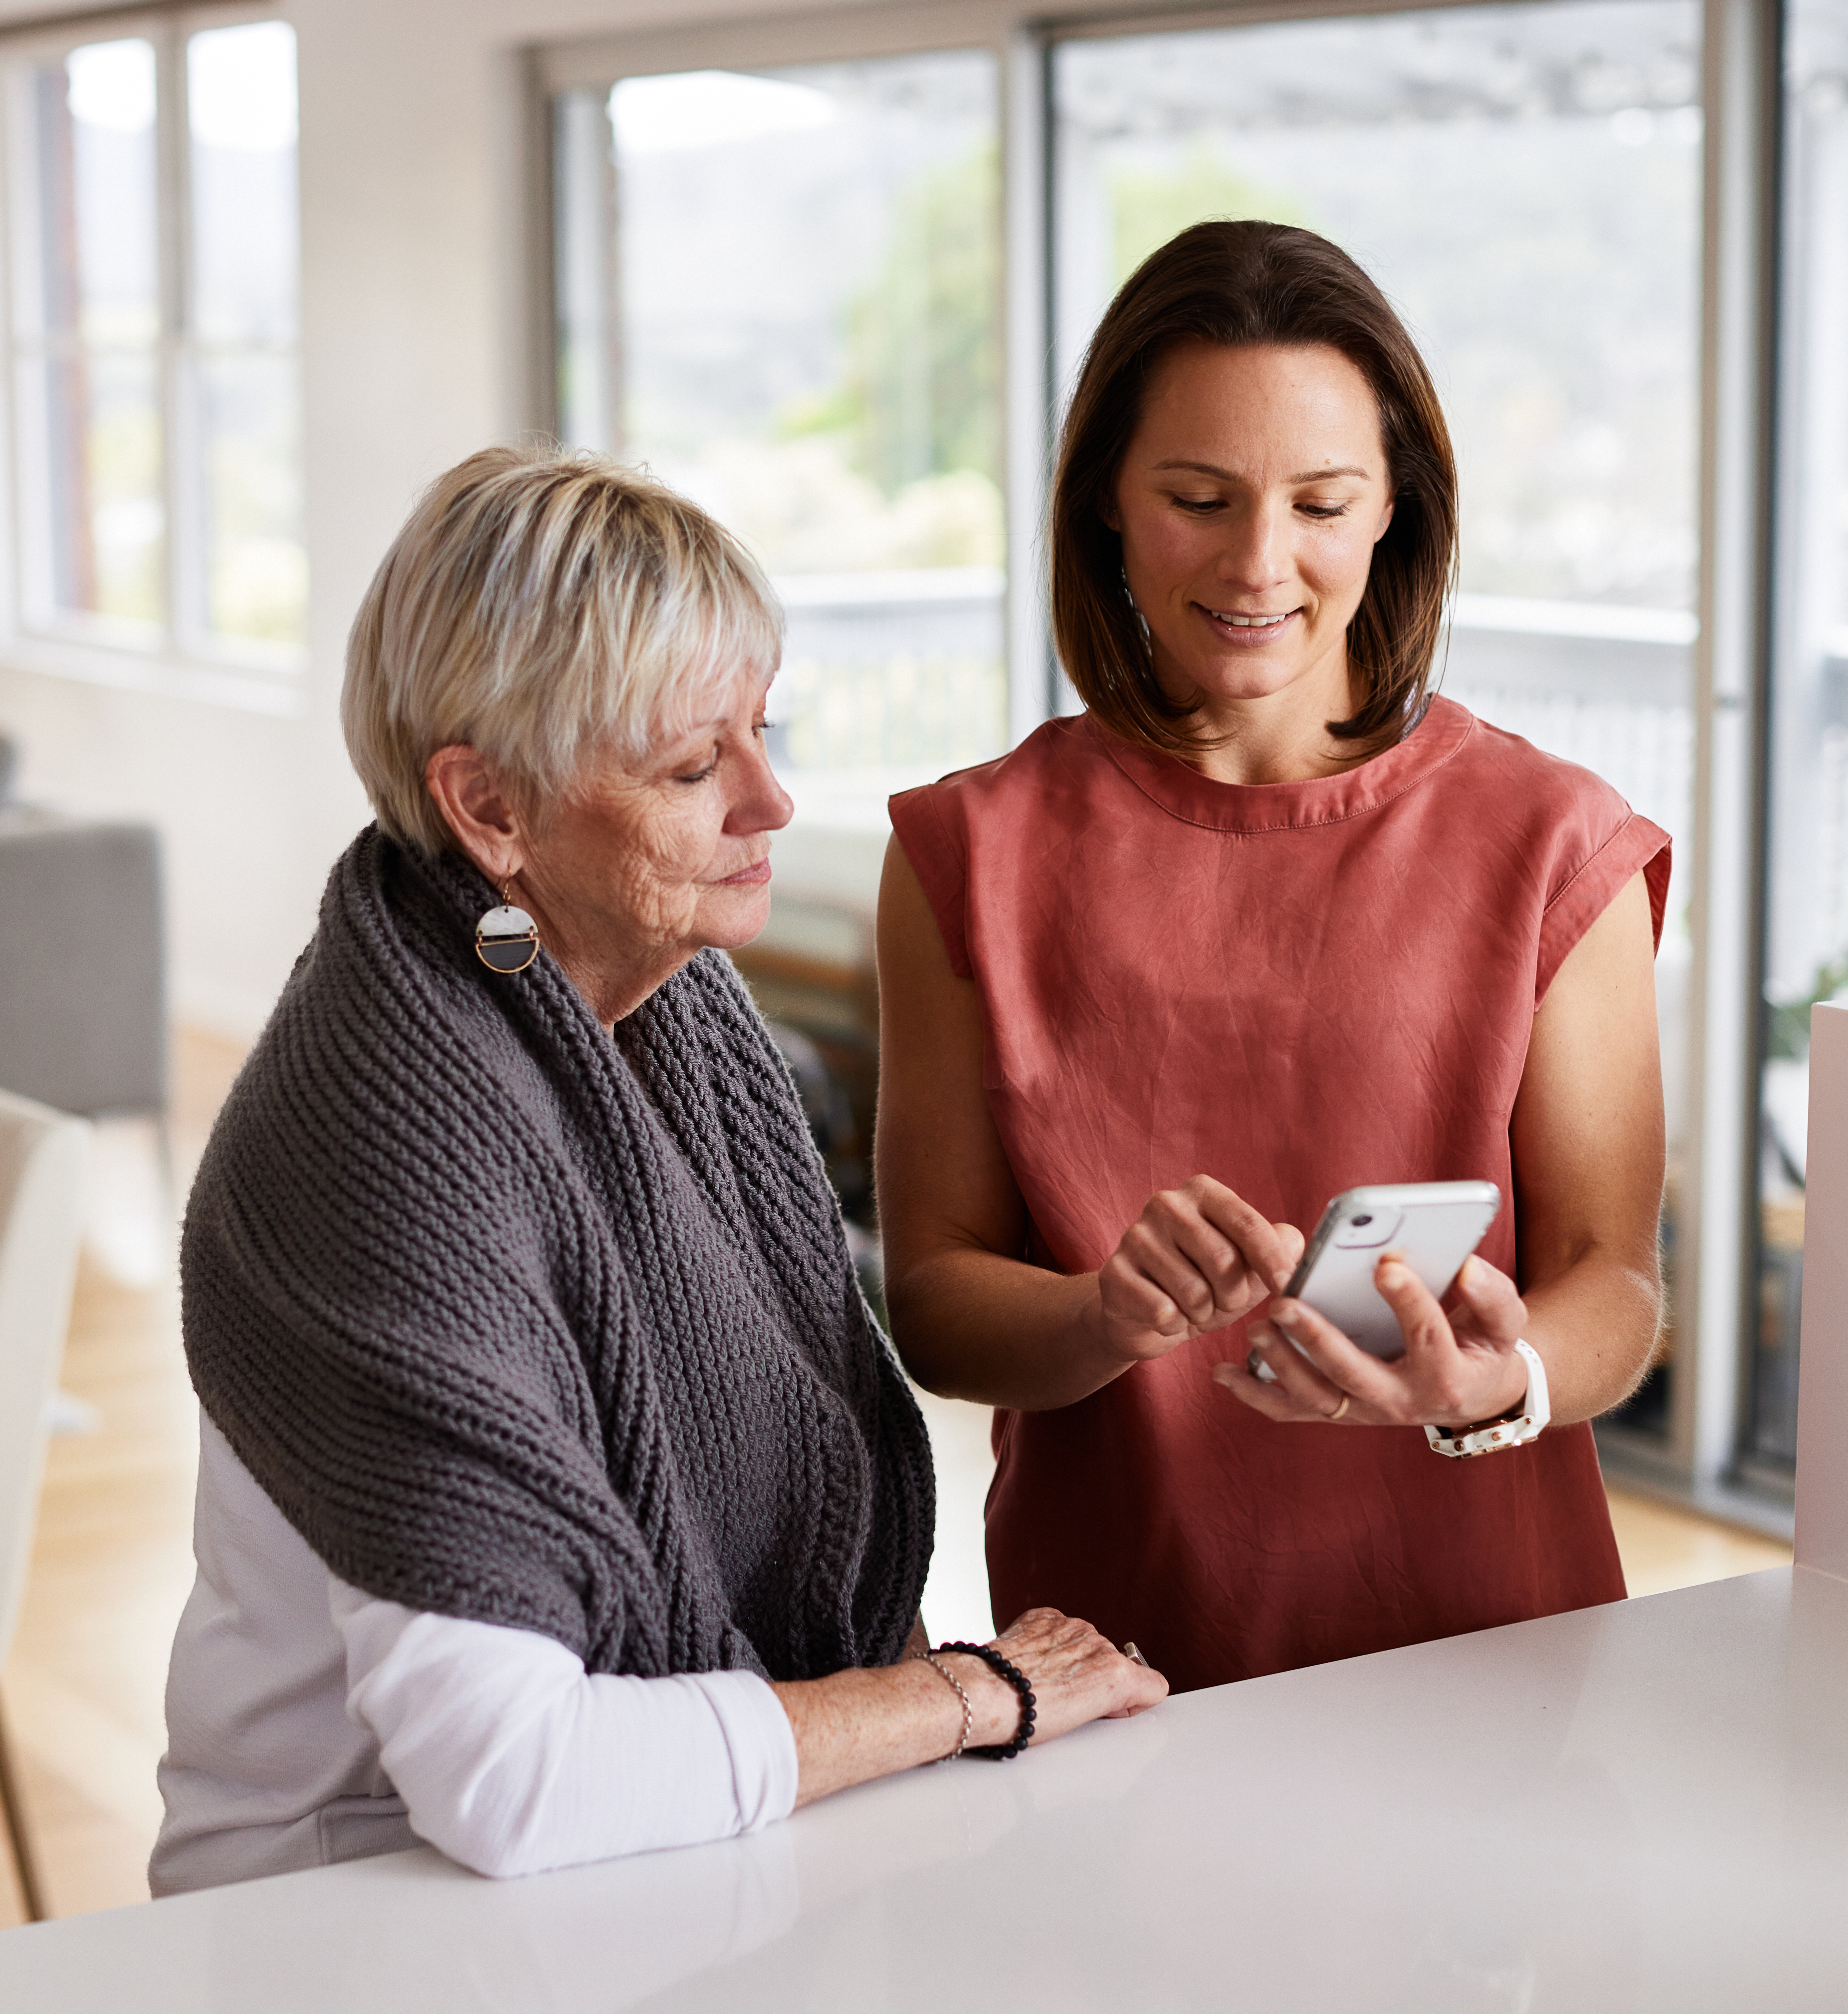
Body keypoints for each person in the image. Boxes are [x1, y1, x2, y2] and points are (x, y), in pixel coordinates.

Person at [152, 443, 1164, 1894]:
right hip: (356, 1912)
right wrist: (969, 1697)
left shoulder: (648, 1004)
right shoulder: (393, 1147)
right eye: (695, 764)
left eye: (763, 730)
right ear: (490, 810)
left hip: (625, 1878)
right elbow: (512, 1783)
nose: (769, 798)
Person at [878, 222, 1671, 1696]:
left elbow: (1611, 1282)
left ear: (1394, 515)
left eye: (1320, 502)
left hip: (1487, 1662)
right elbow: (930, 1296)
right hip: (1112, 1670)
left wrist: (1496, 1380)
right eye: (1196, 498)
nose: (1258, 565)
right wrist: (1099, 1313)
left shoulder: (1556, 842)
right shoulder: (964, 853)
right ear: (1106, 502)